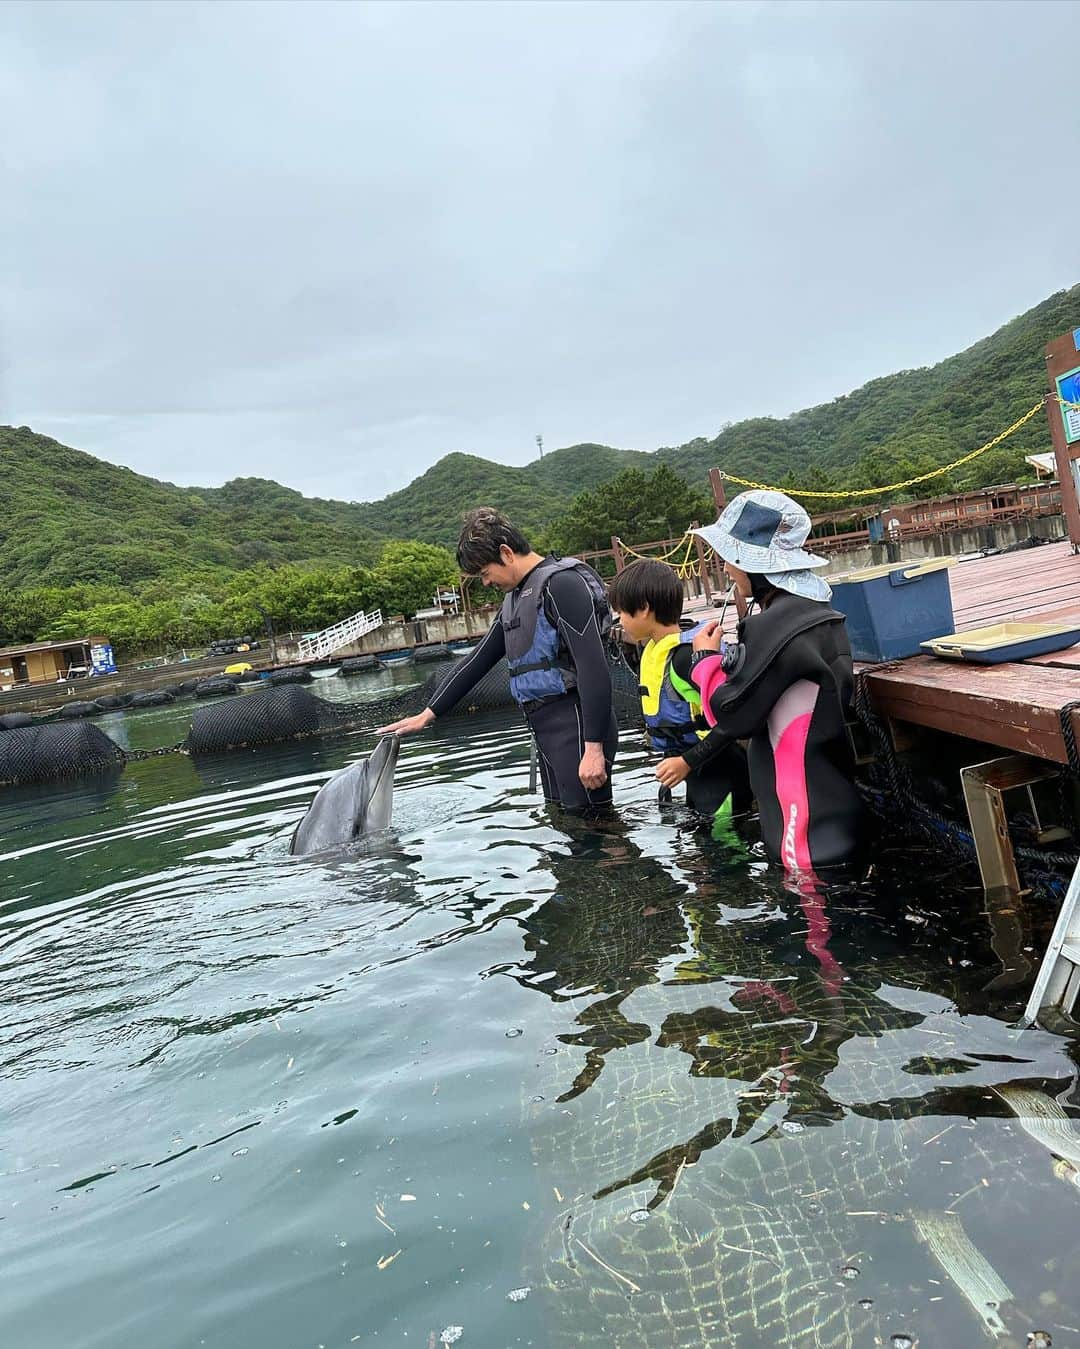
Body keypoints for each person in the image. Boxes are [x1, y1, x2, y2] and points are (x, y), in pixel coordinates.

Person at [378, 508, 617, 813]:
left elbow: (593, 667)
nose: (486, 583)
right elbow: (478, 660)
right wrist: (428, 714)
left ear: (506, 553)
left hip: (580, 728)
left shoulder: (562, 585)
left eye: (484, 573)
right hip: (548, 731)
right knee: (565, 823)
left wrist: (594, 748)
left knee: (595, 829)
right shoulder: (516, 599)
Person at [687, 489, 866, 873]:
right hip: (832, 813)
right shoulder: (820, 613)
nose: (726, 568)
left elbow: (729, 713)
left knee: (812, 923)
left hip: (802, 839)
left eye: (730, 559)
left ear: (753, 563)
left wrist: (705, 660)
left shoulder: (773, 626)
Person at [608, 558, 751, 826]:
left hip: (721, 772)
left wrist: (686, 761)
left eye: (622, 613)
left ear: (644, 609)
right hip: (699, 774)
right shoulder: (655, 652)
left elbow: (733, 723)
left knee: (726, 850)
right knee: (705, 849)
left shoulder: (685, 659)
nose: (621, 622)